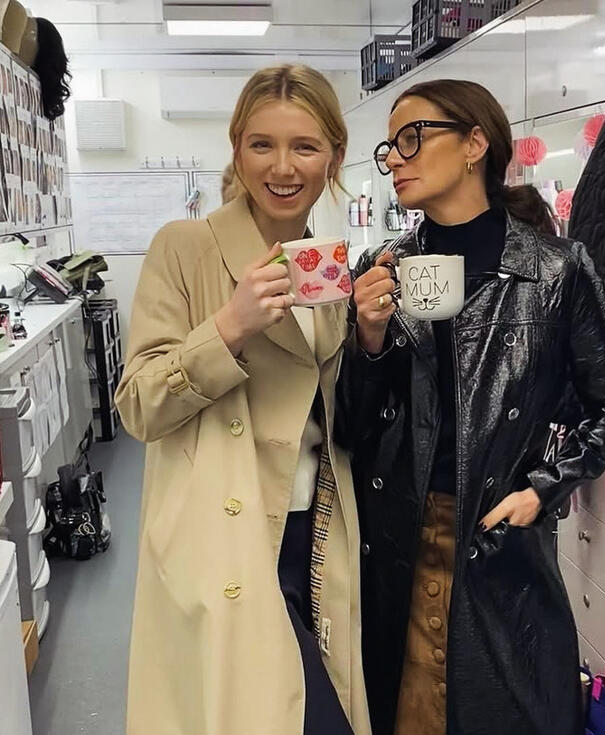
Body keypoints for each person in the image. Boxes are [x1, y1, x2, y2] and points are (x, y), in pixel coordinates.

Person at [337, 79, 605, 735]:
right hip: (401, 535)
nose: (396, 160)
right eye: (390, 148)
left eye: (413, 138)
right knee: (410, 713)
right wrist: (367, 339)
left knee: (510, 708)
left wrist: (543, 489)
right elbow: (349, 428)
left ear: (475, 143)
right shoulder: (382, 268)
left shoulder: (554, 271)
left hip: (497, 533)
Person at [116, 64, 370, 735]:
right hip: (225, 531)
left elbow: (332, 411)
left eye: (304, 146)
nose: (282, 167)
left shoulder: (324, 261)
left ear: (333, 155)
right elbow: (139, 403)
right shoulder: (186, 248)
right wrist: (228, 327)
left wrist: (369, 336)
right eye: (262, 144)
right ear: (237, 148)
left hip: (316, 528)